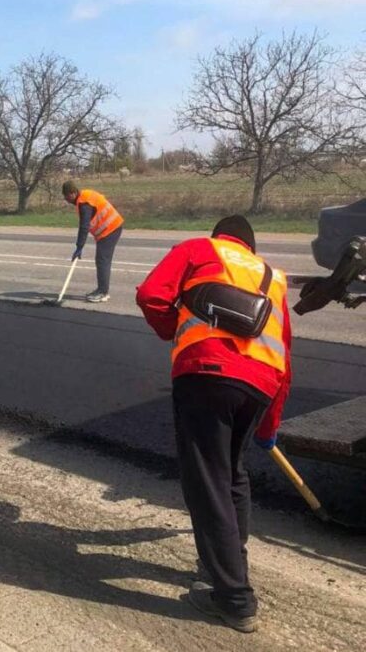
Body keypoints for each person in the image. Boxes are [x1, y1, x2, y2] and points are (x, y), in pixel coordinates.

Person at [135, 215, 291, 634]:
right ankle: (226, 567)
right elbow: (285, 353)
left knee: (208, 483)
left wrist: (172, 331)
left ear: (221, 236)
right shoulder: (272, 277)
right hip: (261, 385)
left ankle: (233, 598)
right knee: (234, 477)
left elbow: (151, 294)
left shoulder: (198, 249)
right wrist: (268, 425)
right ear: (249, 247)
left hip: (207, 373)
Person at [62, 181, 124, 303]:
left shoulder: (84, 203)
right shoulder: (85, 196)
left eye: (67, 196)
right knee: (102, 260)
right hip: (110, 228)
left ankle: (103, 292)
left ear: (73, 193)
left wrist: (79, 247)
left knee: (102, 261)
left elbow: (84, 226)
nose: (66, 199)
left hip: (110, 229)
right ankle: (101, 289)